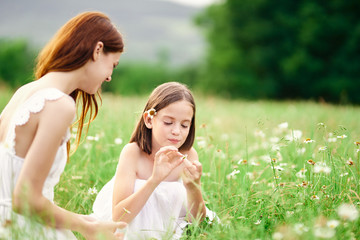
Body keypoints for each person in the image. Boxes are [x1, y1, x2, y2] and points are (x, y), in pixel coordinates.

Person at [0, 11, 127, 239]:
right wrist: (87, 227)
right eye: (113, 65)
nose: (109, 77)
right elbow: (25, 199)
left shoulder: (25, 92)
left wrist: (87, 220)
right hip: (27, 230)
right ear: (98, 50)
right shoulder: (59, 105)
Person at [92, 82, 217, 240]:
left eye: (185, 125)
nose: (176, 131)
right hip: (132, 226)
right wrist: (155, 179)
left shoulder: (189, 155)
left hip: (171, 227)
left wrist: (193, 187)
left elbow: (197, 222)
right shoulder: (133, 153)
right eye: (168, 123)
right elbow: (118, 218)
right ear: (149, 120)